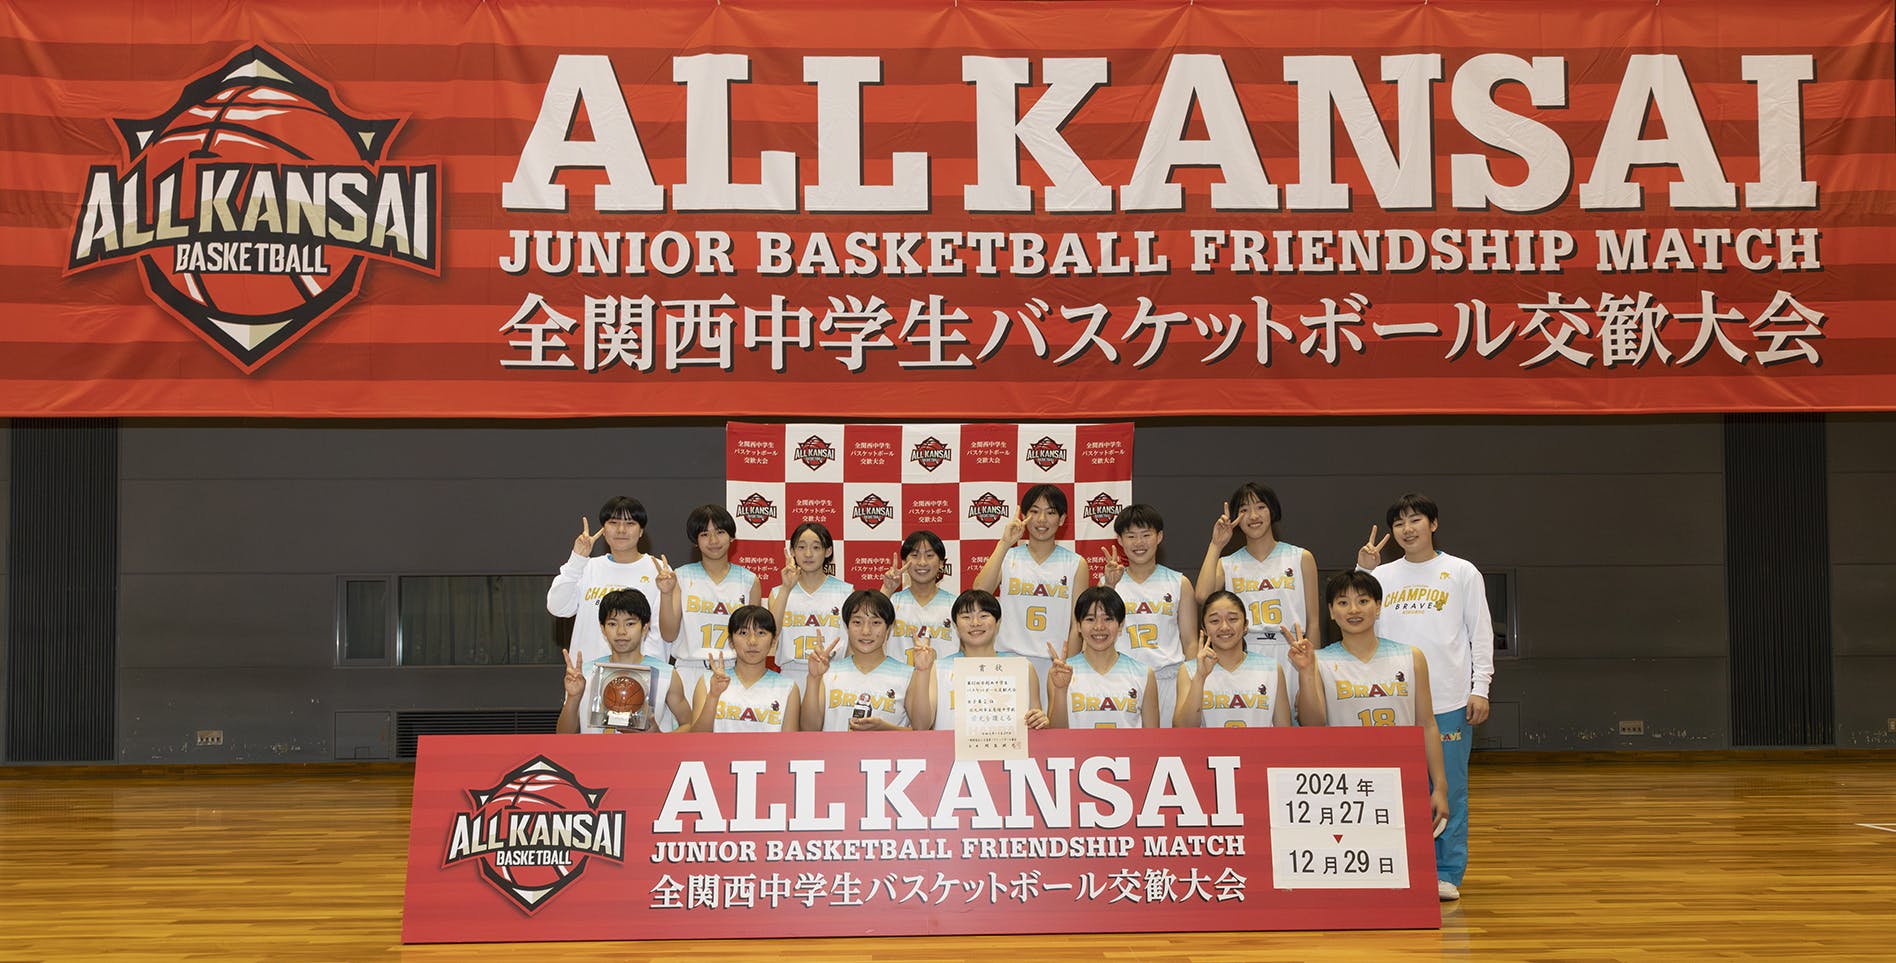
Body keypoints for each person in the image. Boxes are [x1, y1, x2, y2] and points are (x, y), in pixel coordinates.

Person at [1356, 492, 1493, 902]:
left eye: (1415, 519)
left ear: (1433, 524)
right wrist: (1362, 570)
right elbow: (1353, 616)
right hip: (1391, 701)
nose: (1407, 529)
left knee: (1448, 789)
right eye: (1399, 523)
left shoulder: (1462, 572)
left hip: (1449, 700)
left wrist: (1480, 688)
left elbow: (1480, 633)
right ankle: (1399, 866)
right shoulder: (1382, 576)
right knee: (1392, 789)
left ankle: (1446, 872)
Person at [1288, 570, 1452, 895]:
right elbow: (1312, 722)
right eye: (1343, 602)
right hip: (1344, 786)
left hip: (1401, 781)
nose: (1354, 609)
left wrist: (1440, 786)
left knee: (1402, 880)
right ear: (1331, 612)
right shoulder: (1320, 660)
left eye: (1363, 601)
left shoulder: (1411, 657)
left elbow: (1427, 724)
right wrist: (1305, 672)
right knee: (1354, 886)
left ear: (1378, 606)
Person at [1193, 482, 1318, 714]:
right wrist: (1216, 544)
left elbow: (1314, 622)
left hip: (1292, 653)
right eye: (1244, 510)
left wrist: (1311, 674)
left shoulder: (1301, 558)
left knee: (1295, 727)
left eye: (1260, 507)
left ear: (1272, 510)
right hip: (1245, 652)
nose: (1253, 516)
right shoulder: (1227, 563)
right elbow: (1202, 595)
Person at [972, 483, 1090, 706]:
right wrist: (1004, 543)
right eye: (1034, 511)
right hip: (1008, 661)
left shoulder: (1076, 564)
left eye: (1050, 512)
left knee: (1052, 727)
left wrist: (1069, 665)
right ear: (1024, 516)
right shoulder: (1008, 556)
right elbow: (979, 593)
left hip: (1054, 665)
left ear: (1062, 519)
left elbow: (1077, 624)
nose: (1041, 520)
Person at [548, 496, 674, 665]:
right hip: (587, 674)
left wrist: (642, 670)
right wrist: (577, 559)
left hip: (638, 675)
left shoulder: (658, 570)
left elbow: (660, 632)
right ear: (604, 529)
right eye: (613, 523)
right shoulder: (587, 567)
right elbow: (558, 607)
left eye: (630, 523)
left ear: (641, 531)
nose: (621, 530)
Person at [1104, 504, 1197, 727]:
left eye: (1146, 535)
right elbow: (1099, 635)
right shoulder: (1109, 583)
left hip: (1168, 680)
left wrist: (1192, 684)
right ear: (1119, 540)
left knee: (1169, 744)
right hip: (1123, 681)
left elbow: (1190, 641)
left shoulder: (1179, 583)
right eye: (1131, 536)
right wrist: (1109, 586)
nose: (1139, 543)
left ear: (1159, 537)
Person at [661, 504, 759, 701]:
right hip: (689, 671)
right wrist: (666, 594)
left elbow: (754, 639)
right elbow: (669, 634)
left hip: (733, 672)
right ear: (695, 541)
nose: (713, 540)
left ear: (731, 536)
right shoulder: (681, 576)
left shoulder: (749, 581)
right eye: (705, 534)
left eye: (720, 532)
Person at [557, 589, 691, 734]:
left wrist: (657, 738)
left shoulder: (666, 674)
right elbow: (563, 735)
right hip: (593, 750)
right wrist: (573, 697)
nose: (621, 631)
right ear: (603, 628)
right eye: (612, 624)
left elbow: (689, 725)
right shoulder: (585, 674)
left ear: (645, 627)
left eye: (630, 624)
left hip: (647, 750)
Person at [919, 589, 1051, 733]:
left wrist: (1039, 720)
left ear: (997, 622)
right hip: (949, 748)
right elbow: (922, 725)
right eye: (966, 617)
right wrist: (922, 671)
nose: (975, 623)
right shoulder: (939, 669)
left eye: (983, 616)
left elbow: (1035, 724)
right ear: (955, 625)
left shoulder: (1023, 668)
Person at [800, 589, 932, 731]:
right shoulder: (828, 673)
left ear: (888, 629)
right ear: (847, 626)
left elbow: (921, 729)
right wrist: (813, 678)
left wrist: (884, 729)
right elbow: (808, 730)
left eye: (875, 622)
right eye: (857, 622)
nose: (866, 631)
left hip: (889, 747)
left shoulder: (907, 675)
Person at [1047, 586, 1160, 729]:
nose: (1099, 627)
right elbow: (1056, 735)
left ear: (1120, 624)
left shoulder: (1143, 674)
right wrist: (1061, 690)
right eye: (1090, 619)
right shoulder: (1062, 673)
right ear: (1079, 626)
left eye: (1107, 619)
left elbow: (1152, 738)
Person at [1174, 590, 1290, 727]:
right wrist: (1199, 677)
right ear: (1204, 628)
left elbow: (1285, 732)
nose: (1224, 627)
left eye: (1233, 619)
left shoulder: (1271, 669)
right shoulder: (1189, 670)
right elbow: (1182, 729)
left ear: (1245, 625)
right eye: (1215, 621)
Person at [691, 605, 800, 733]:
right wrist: (713, 696)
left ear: (774, 641)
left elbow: (789, 744)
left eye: (761, 633)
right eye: (743, 633)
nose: (752, 641)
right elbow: (696, 739)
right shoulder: (708, 681)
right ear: (731, 641)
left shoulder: (788, 688)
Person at [767, 521, 851, 679]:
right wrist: (786, 588)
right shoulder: (778, 593)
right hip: (790, 676)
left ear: (828, 551)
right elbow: (771, 635)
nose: (808, 554)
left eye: (816, 547)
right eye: (801, 547)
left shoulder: (846, 592)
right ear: (792, 551)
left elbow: (853, 642)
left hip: (833, 674)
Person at [883, 530, 958, 666]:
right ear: (904, 562)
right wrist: (887, 590)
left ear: (941, 563)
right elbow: (871, 631)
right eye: (915, 555)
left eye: (929, 555)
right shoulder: (892, 602)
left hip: (943, 679)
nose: (922, 562)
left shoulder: (955, 605)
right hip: (899, 679)